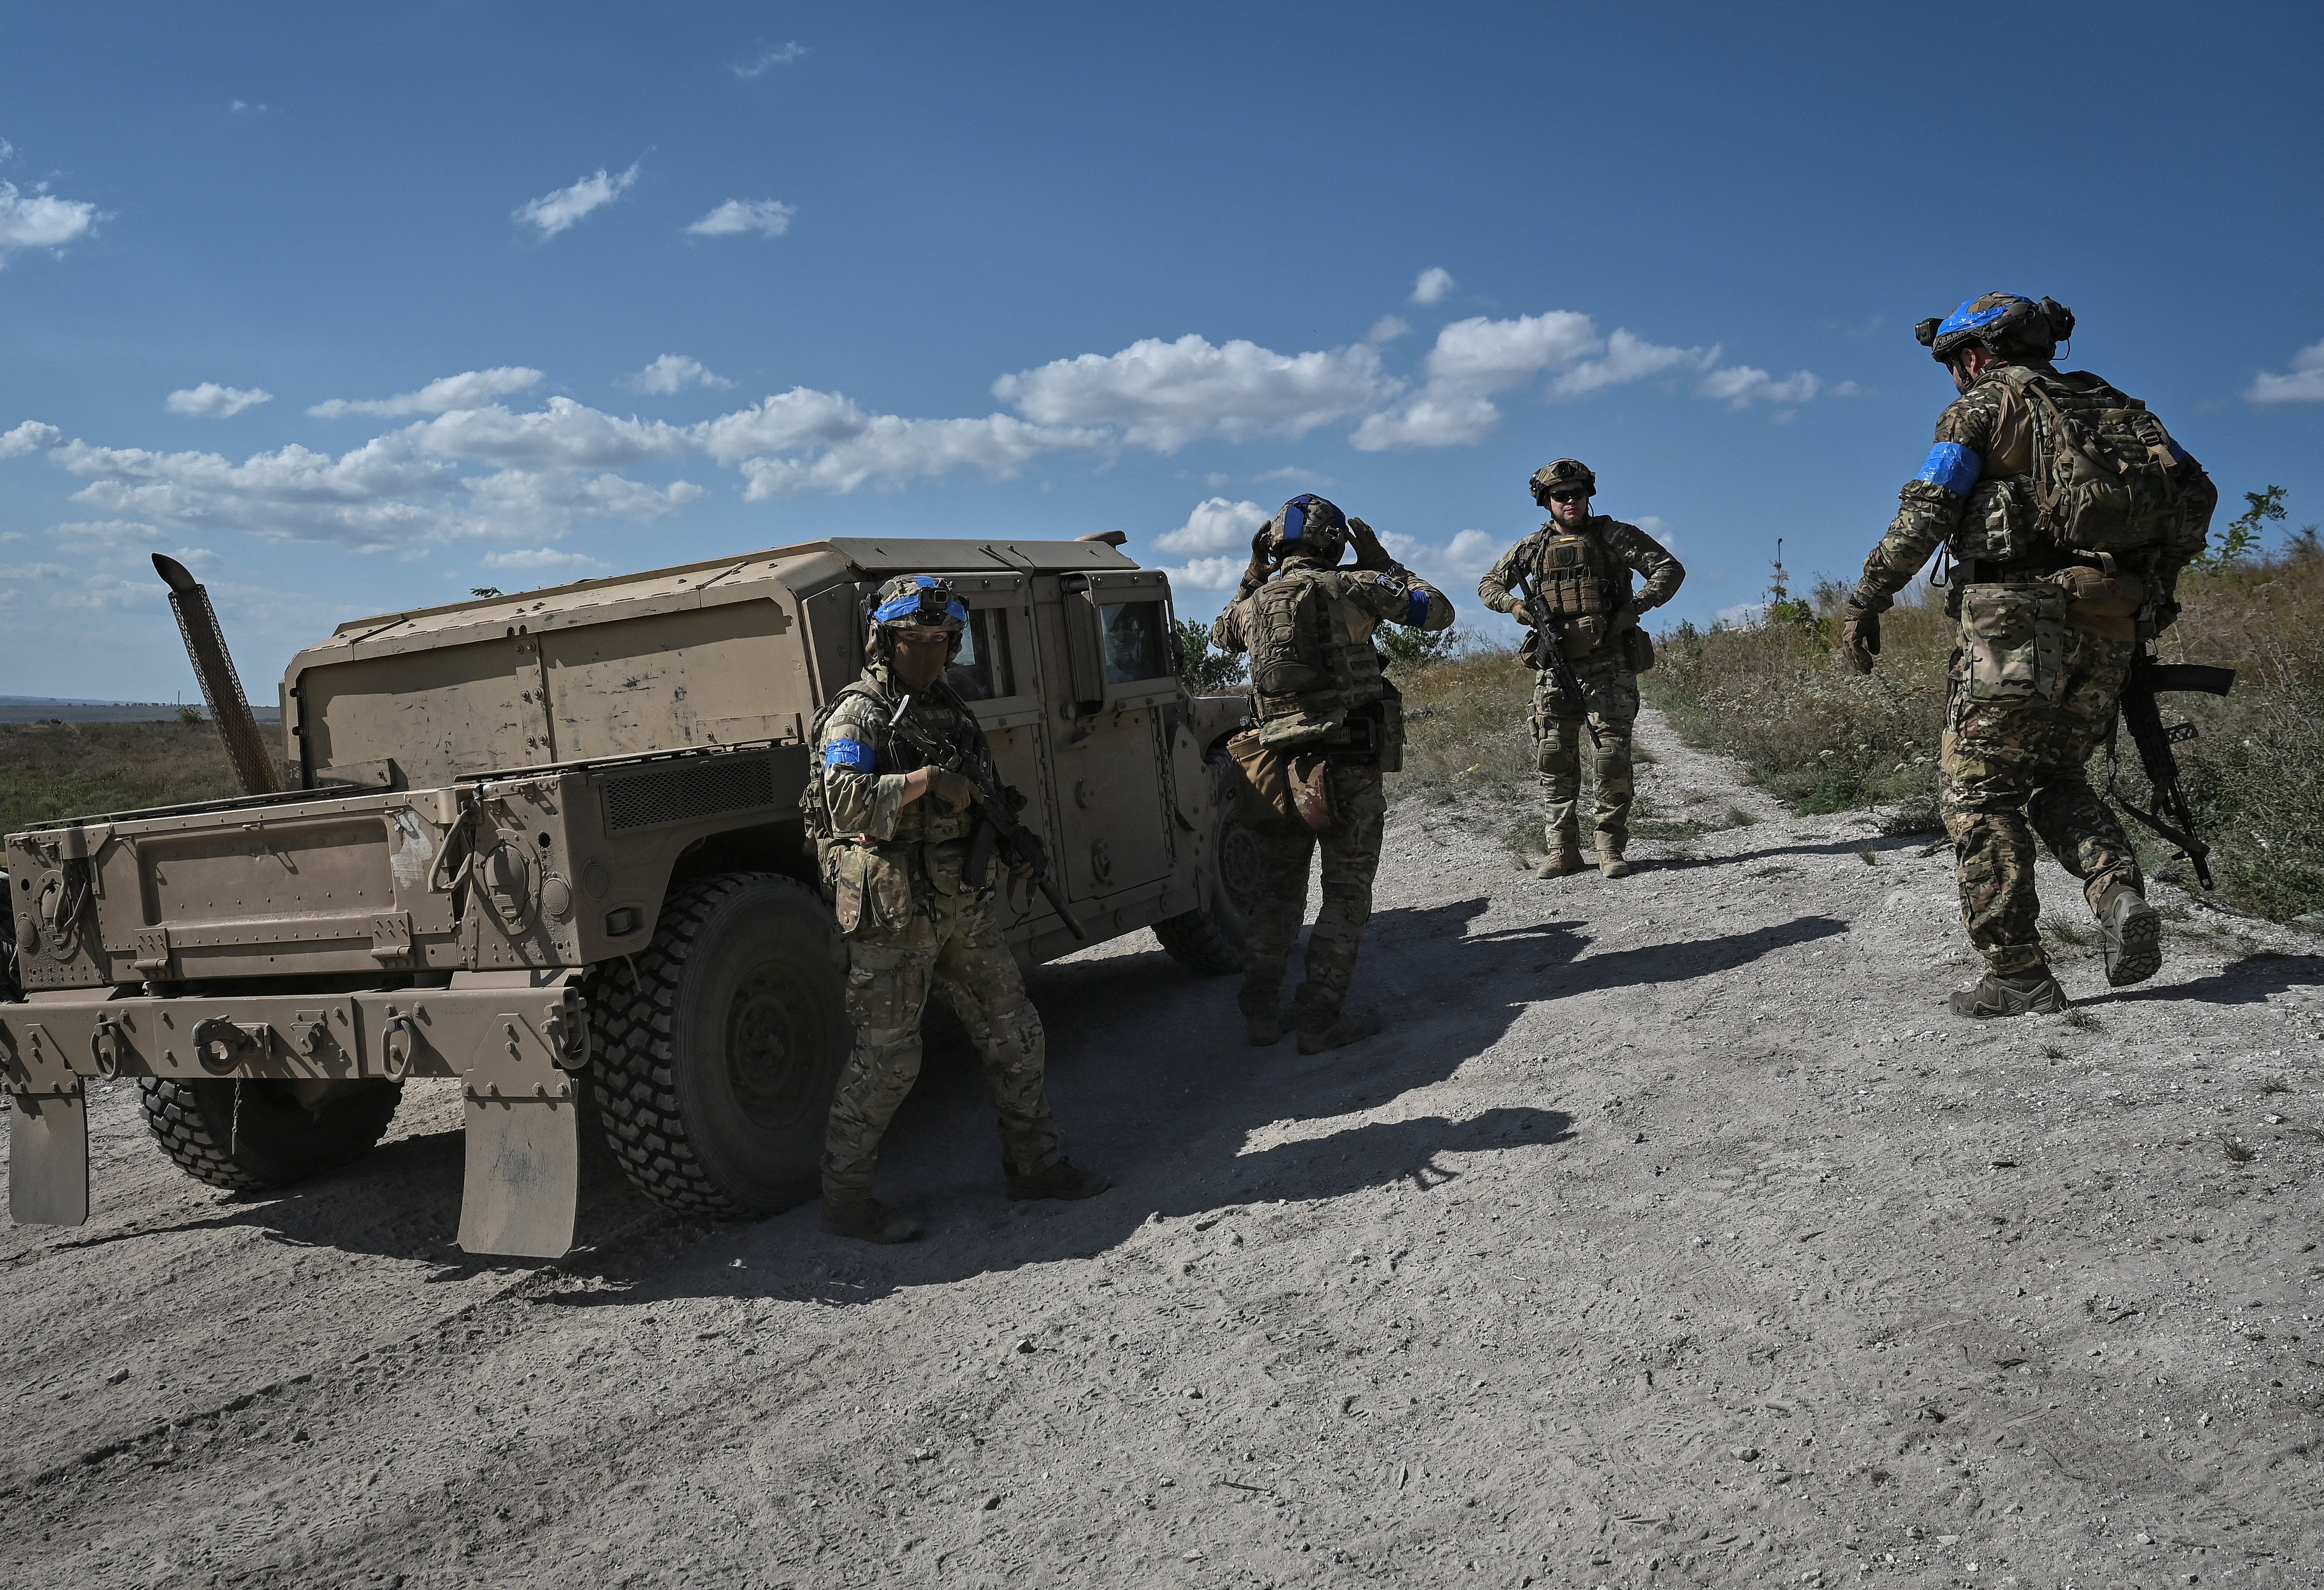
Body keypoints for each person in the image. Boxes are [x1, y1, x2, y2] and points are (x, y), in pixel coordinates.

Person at [1838, 293, 2216, 1018]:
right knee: (2053, 774)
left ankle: (2017, 973)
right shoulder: (2116, 405)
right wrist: (2145, 587)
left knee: (1979, 790)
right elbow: (2198, 494)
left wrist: (1867, 597)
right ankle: (2117, 891)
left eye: (1954, 363)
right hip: (2109, 620)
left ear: (1974, 356)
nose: (1955, 376)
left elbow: (1927, 510)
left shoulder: (1982, 407)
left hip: (2014, 619)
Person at [811, 574, 1108, 1242]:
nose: (929, 650)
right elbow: (845, 804)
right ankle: (846, 1202)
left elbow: (985, 799)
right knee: (887, 1060)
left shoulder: (952, 712)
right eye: (915, 639)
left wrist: (1014, 847)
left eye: (941, 640)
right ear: (883, 640)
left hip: (958, 903)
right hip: (892, 910)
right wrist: (925, 782)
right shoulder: (855, 715)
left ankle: (1036, 1165)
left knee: (1016, 1031)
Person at [1210, 495, 1454, 1053]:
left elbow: (1222, 634)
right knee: (1345, 892)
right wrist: (1387, 564)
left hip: (1278, 767)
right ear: (1333, 542)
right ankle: (1319, 1017)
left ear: (1276, 545)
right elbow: (1437, 613)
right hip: (1349, 764)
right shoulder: (1355, 586)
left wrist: (1255, 571)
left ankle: (1261, 1012)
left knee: (1277, 890)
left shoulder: (1254, 603)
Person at [1477, 459, 1684, 880]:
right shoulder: (1530, 549)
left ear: (1589, 494)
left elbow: (1668, 569)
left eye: (1577, 493)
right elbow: (1488, 585)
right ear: (1545, 501)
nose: (1570, 502)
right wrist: (1516, 606)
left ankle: (1609, 847)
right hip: (1554, 666)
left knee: (1610, 755)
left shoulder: (1614, 536)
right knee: (1553, 756)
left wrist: (1635, 608)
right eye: (1560, 496)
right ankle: (1562, 850)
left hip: (1608, 663)